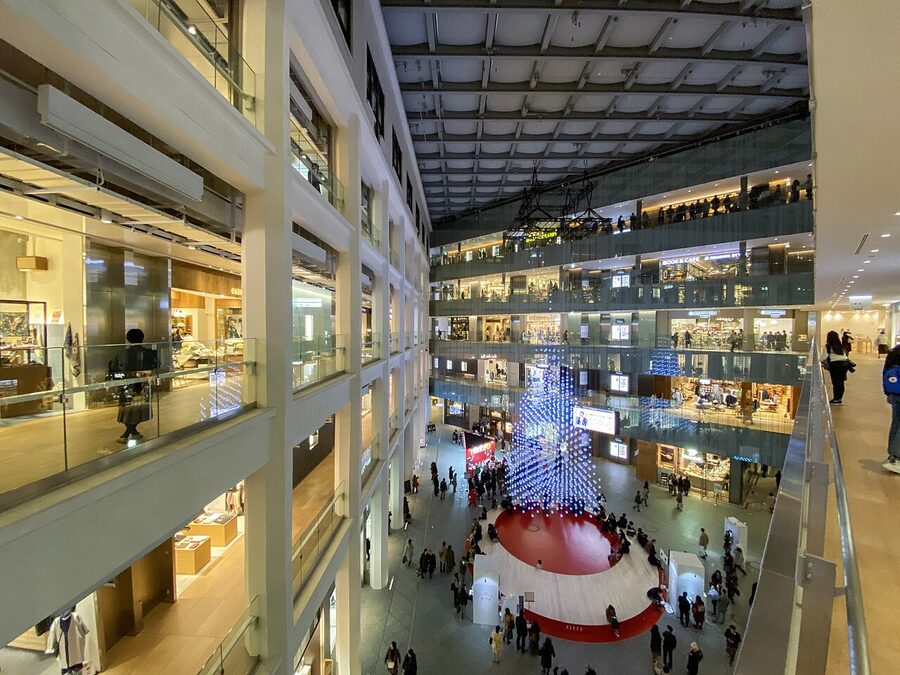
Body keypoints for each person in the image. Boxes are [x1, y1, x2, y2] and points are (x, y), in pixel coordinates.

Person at [108, 328, 158, 443]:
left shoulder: (122, 353)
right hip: (143, 385)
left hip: (127, 386)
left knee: (127, 410)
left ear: (128, 339)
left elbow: (113, 367)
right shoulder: (149, 353)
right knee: (139, 409)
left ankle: (127, 434)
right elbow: (155, 365)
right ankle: (133, 433)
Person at [821, 330, 852, 404]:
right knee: (841, 382)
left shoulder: (828, 346)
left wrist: (820, 362)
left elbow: (823, 357)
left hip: (835, 365)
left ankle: (836, 399)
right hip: (844, 364)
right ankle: (839, 398)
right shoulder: (840, 346)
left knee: (835, 382)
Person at [884, 344, 900, 472]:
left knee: (896, 424)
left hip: (895, 393)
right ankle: (895, 457)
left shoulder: (894, 352)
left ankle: (893, 455)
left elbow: (885, 372)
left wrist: (888, 393)